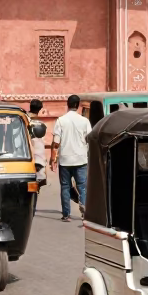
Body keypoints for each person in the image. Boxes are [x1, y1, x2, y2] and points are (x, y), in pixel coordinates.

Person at [50, 94, 91, 223]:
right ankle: (84, 209)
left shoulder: (61, 120)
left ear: (67, 104)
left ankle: (66, 215)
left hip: (65, 159)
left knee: (65, 187)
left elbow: (56, 142)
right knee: (82, 187)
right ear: (78, 105)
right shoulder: (84, 121)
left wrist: (53, 159)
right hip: (81, 158)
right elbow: (89, 138)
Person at [28, 99, 47, 215]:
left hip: (24, 160)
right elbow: (40, 147)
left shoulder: (20, 120)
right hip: (37, 161)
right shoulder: (40, 125)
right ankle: (32, 210)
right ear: (40, 110)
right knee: (35, 188)